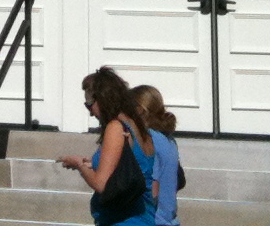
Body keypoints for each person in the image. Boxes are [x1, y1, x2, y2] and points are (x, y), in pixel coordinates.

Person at [57, 66, 157, 226]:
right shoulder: (136, 124)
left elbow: (101, 184)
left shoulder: (116, 128)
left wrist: (79, 164)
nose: (90, 113)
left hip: (125, 220)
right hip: (144, 217)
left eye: (89, 104)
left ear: (103, 99)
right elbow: (132, 164)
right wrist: (93, 163)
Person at [129, 86, 182, 226]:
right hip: (170, 219)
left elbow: (154, 188)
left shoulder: (149, 140)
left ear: (139, 110)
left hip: (154, 220)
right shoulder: (169, 139)